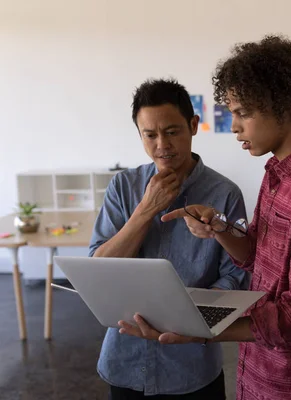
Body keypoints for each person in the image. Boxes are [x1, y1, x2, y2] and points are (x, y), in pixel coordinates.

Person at [118, 34, 291, 400]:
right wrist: (219, 229)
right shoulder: (279, 173)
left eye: (243, 113)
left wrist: (201, 329)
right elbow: (255, 256)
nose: (233, 127)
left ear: (286, 104)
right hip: (259, 364)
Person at [89, 78, 249, 399]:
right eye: (150, 135)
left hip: (192, 364)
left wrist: (190, 319)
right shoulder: (124, 186)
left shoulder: (225, 193)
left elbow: (237, 275)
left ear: (192, 125)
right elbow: (99, 268)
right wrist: (145, 210)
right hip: (125, 358)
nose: (161, 144)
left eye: (172, 132)